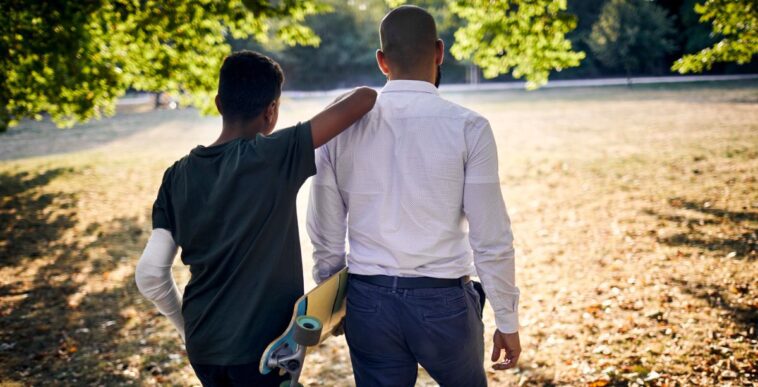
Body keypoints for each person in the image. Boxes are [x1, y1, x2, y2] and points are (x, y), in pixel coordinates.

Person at [307, 5, 521, 386]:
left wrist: (332, 304)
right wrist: (506, 318)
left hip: (368, 301)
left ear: (382, 61)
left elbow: (324, 227)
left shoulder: (341, 124)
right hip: (443, 303)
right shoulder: (469, 127)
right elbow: (491, 236)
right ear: (439, 52)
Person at [134, 50, 376, 387]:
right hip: (261, 351)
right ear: (272, 111)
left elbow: (149, 275)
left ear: (218, 103)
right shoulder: (272, 154)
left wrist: (187, 329)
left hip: (203, 349)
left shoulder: (176, 176)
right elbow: (364, 98)